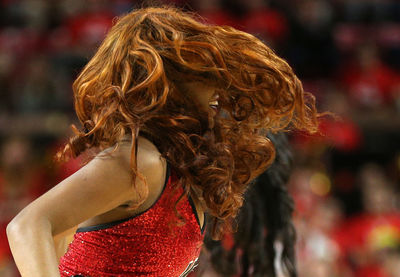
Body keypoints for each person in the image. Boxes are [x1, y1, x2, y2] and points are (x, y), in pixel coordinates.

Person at [6, 6, 319, 277]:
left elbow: (61, 237)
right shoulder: (139, 160)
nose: (217, 90)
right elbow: (28, 226)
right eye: (201, 73)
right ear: (169, 84)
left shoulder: (176, 168)